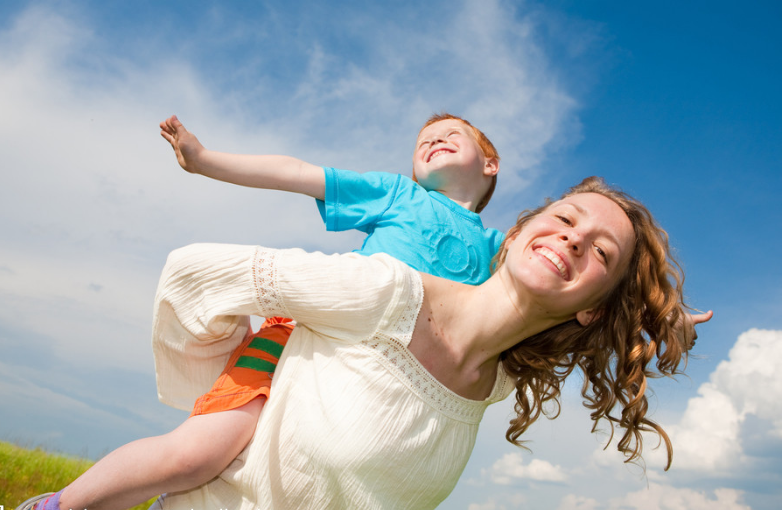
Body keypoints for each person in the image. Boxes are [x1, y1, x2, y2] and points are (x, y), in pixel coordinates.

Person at [25, 176, 712, 510]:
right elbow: (195, 274)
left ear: (594, 310)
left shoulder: (499, 381)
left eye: (600, 251)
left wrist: (661, 321)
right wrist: (230, 386)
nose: (572, 238)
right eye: (565, 218)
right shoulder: (386, 293)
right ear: (521, 231)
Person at [18, 112, 504, 510]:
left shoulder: (501, 251)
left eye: (451, 134)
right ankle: (56, 506)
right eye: (424, 139)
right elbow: (297, 173)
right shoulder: (401, 195)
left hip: (365, 390)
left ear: (490, 162)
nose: (434, 138)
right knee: (196, 455)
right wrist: (206, 160)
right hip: (295, 343)